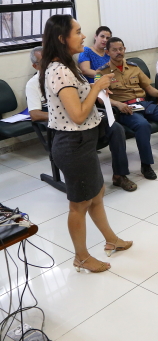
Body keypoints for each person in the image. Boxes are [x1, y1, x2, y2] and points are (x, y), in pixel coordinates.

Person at [39, 15, 132, 273]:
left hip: (83, 141)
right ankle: (81, 257)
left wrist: (96, 89)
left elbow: (78, 98)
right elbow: (78, 115)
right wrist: (97, 86)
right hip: (73, 144)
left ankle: (111, 239)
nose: (83, 36)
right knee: (79, 205)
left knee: (97, 193)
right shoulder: (58, 69)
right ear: (62, 38)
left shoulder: (67, 64)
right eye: (78, 32)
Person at [28, 46, 137, 192]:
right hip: (66, 126)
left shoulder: (68, 73)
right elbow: (35, 114)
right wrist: (63, 113)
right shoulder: (34, 84)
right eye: (45, 61)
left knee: (116, 128)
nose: (50, 64)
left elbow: (83, 94)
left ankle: (120, 175)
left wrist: (96, 87)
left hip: (87, 116)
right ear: (35, 66)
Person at [101, 37, 158, 180]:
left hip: (143, 104)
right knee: (143, 125)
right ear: (107, 52)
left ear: (124, 49)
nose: (119, 52)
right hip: (125, 108)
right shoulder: (102, 72)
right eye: (114, 50)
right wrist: (117, 104)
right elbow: (100, 98)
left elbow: (148, 88)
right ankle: (146, 165)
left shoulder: (134, 67)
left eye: (121, 49)